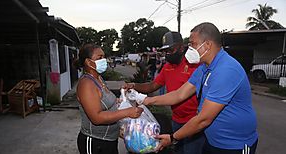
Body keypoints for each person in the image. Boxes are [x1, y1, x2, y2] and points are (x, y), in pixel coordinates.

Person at [143, 22, 258, 154]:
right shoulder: (204, 68)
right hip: (213, 141)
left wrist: (173, 137)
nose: (189, 48)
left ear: (207, 45)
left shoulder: (226, 69)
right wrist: (146, 100)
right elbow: (179, 94)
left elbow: (203, 119)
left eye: (193, 44)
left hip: (234, 144)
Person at [123, 31, 203, 154]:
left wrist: (147, 100)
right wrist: (134, 86)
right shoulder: (168, 66)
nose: (167, 54)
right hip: (176, 120)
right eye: (165, 51)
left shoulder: (194, 66)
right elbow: (153, 85)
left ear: (181, 48)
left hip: (193, 120)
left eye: (170, 50)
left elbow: (179, 95)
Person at [74, 43, 143, 154]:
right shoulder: (86, 84)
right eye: (99, 58)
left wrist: (118, 101)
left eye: (104, 57)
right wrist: (127, 112)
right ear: (88, 62)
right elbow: (96, 118)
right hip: (95, 142)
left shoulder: (99, 78)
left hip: (110, 140)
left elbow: (102, 101)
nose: (104, 60)